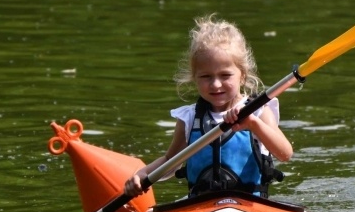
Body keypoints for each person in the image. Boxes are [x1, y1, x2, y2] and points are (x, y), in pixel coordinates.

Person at [123, 14, 293, 198]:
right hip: (200, 206)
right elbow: (170, 161)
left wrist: (253, 124)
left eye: (225, 75)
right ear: (194, 78)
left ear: (242, 75)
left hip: (251, 205)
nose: (215, 84)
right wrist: (142, 174)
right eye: (206, 77)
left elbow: (285, 154)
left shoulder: (258, 112)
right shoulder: (189, 118)